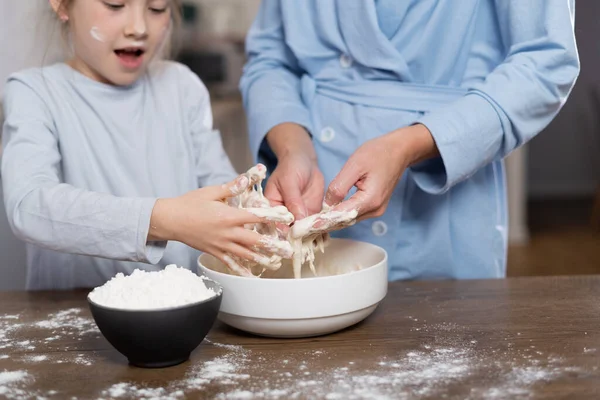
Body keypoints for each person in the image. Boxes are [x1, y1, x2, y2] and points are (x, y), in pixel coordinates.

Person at [240, 0, 580, 281]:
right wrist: (293, 148)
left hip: (448, 194)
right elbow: (271, 60)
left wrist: (408, 146)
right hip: (312, 189)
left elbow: (547, 63)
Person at [1, 0, 289, 290]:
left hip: (185, 310)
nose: (138, 28)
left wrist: (265, 216)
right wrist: (164, 219)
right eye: (115, 5)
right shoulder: (34, 93)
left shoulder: (182, 87)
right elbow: (28, 206)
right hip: (71, 314)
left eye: (156, 8)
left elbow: (225, 193)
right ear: (62, 5)